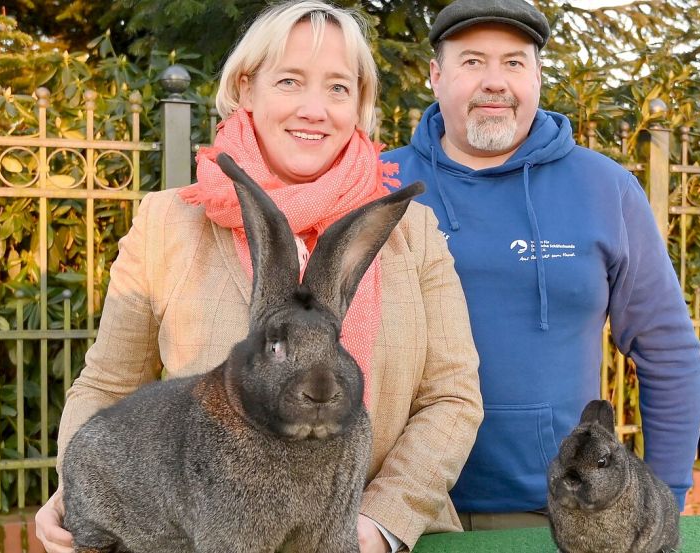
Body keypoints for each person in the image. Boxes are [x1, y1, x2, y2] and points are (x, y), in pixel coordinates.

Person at [34, 2, 483, 552]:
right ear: (247, 88)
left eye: (339, 88)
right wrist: (75, 491)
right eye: (290, 81)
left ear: (361, 104)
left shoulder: (411, 230)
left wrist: (376, 524)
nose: (314, 109)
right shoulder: (169, 222)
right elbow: (106, 384)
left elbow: (452, 398)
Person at [381, 0, 700, 531]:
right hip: (395, 508)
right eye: (472, 62)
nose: (495, 82)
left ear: (536, 77)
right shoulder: (380, 183)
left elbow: (667, 352)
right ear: (437, 77)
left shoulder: (604, 187)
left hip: (558, 514)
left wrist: (664, 503)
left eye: (514, 62)